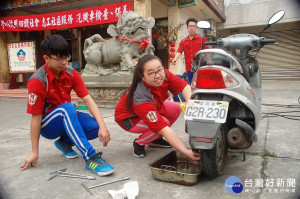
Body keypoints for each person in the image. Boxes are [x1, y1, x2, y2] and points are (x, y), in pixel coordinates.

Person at [19, 34, 114, 176]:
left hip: (67, 116)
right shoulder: (37, 81)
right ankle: (90, 157)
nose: (64, 62)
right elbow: (36, 118)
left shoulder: (71, 73)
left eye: (66, 57)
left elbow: (88, 99)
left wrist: (103, 126)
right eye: (59, 59)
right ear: (46, 58)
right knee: (67, 108)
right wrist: (34, 151)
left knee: (95, 127)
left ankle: (64, 142)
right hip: (48, 125)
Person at [114, 54, 200, 161]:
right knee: (163, 124)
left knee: (175, 108)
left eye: (159, 70)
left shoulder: (163, 74)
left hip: (153, 106)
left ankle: (155, 139)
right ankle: (139, 143)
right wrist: (186, 151)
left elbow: (184, 86)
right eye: (151, 73)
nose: (158, 75)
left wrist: (190, 103)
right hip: (129, 118)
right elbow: (163, 129)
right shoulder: (140, 97)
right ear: (142, 76)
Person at [172, 18, 209, 84]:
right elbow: (179, 51)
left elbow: (207, 51)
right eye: (190, 26)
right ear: (187, 27)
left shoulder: (201, 38)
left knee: (200, 85)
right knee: (191, 85)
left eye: (193, 26)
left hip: (199, 67)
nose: (191, 28)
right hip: (189, 68)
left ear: (196, 28)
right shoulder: (183, 41)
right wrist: (175, 59)